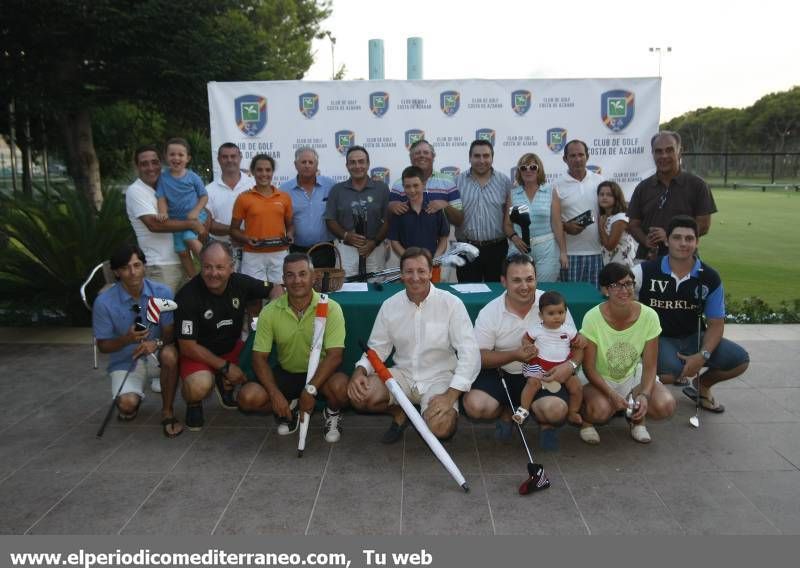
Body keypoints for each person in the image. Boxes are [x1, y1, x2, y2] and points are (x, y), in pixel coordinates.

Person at [347, 247, 480, 443]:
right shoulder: (390, 306)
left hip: (439, 378)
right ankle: (400, 413)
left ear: (430, 273)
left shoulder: (452, 304)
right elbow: (377, 348)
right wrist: (359, 371)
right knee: (361, 395)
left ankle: (425, 417)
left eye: (421, 271)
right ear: (401, 275)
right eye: (409, 271)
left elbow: (471, 355)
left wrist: (451, 396)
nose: (415, 277)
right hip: (403, 376)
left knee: (441, 427)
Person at [462, 254, 583, 450]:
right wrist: (515, 355)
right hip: (502, 372)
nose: (524, 286)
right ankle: (506, 410)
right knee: (475, 406)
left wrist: (570, 366)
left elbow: (578, 346)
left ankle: (546, 424)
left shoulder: (554, 305)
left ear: (536, 278)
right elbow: (478, 357)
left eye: (529, 279)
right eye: (516, 280)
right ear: (503, 281)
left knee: (556, 411)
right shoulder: (490, 311)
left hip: (545, 373)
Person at [633, 215, 749, 411]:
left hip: (694, 337)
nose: (683, 243)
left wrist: (702, 356)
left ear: (697, 242)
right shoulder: (645, 271)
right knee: (674, 371)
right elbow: (615, 290)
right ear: (667, 240)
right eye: (677, 238)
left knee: (739, 360)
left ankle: (701, 386)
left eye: (689, 239)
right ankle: (635, 393)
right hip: (658, 338)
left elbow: (716, 323)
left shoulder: (710, 277)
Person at [239, 253, 350, 442]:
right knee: (248, 397)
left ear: (313, 277)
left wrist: (310, 390)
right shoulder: (270, 311)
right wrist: (274, 394)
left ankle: (332, 412)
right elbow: (259, 358)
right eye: (290, 275)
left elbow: (335, 356)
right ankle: (290, 406)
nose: (296, 280)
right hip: (287, 372)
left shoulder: (331, 307)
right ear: (283, 280)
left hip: (320, 375)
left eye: (302, 274)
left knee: (342, 388)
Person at [175, 241, 275, 430]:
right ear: (200, 265)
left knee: (264, 365)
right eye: (207, 267)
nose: (213, 273)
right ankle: (193, 402)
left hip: (232, 348)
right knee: (199, 386)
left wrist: (273, 313)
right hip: (199, 354)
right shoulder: (187, 296)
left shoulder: (240, 282)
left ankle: (224, 381)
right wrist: (225, 367)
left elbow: (275, 288)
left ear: (231, 267)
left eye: (220, 267)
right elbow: (187, 346)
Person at [579, 262, 676, 445]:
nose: (624, 290)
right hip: (599, 377)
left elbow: (650, 365)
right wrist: (610, 393)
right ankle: (586, 422)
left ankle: (637, 420)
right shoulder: (592, 317)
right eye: (616, 285)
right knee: (600, 411)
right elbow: (589, 367)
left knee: (666, 405)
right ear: (605, 290)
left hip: (631, 375)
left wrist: (645, 394)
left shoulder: (649, 316)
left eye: (629, 283)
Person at [92, 244, 183, 438]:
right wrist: (126, 339)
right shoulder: (103, 302)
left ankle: (167, 411)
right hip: (126, 359)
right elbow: (103, 346)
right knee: (126, 405)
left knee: (170, 353)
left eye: (137, 265)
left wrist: (155, 343)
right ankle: (133, 399)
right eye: (125, 268)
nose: (133, 272)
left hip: (157, 354)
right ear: (116, 272)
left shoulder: (163, 293)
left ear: (144, 266)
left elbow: (169, 335)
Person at [126, 145, 208, 295]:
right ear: (137, 166)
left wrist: (201, 223)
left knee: (182, 315)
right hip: (160, 266)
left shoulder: (168, 184)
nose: (151, 167)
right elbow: (154, 224)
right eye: (144, 164)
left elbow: (200, 206)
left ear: (160, 163)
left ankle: (210, 266)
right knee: (161, 316)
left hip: (181, 259)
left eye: (154, 162)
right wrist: (192, 223)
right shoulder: (136, 191)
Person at [627, 131, 717, 260]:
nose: (664, 156)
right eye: (658, 151)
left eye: (669, 150)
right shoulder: (643, 187)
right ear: (652, 154)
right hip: (648, 259)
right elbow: (633, 225)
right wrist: (645, 240)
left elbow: (704, 225)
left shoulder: (697, 185)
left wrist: (670, 236)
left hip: (684, 260)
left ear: (680, 151)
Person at [515, 291, 583, 427]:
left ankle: (573, 411)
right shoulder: (536, 329)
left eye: (561, 312)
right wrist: (528, 346)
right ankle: (523, 410)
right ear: (541, 315)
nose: (557, 317)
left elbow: (580, 343)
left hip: (562, 367)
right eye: (551, 313)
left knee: (577, 387)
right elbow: (525, 339)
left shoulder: (569, 330)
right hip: (539, 365)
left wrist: (582, 340)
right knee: (531, 384)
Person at [230, 154, 293, 299]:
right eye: (259, 170)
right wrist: (247, 239)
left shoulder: (284, 197)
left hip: (279, 254)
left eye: (268, 170)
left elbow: (290, 225)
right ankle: (254, 322)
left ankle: (276, 322)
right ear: (252, 171)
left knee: (280, 296)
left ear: (272, 172)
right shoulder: (243, 198)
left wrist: (289, 234)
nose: (264, 174)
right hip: (253, 254)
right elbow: (233, 230)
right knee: (253, 298)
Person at [453, 139, 514, 282]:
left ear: (492, 157)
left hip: (497, 249)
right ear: (469, 157)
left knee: (497, 294)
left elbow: (509, 217)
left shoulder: (504, 182)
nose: (481, 160)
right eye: (477, 156)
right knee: (467, 293)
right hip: (466, 248)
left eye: (486, 156)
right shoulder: (456, 182)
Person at [324, 146, 390, 278]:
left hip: (374, 250)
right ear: (347, 165)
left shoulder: (381, 188)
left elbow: (388, 220)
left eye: (361, 161)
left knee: (375, 290)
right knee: (346, 290)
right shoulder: (337, 190)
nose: (357, 166)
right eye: (352, 162)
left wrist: (374, 242)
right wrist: (346, 235)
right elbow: (330, 220)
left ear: (368, 164)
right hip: (346, 250)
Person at [505, 153, 567, 282]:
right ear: (519, 172)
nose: (528, 170)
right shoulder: (513, 194)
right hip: (519, 248)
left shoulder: (550, 191)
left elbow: (557, 224)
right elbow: (507, 225)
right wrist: (514, 238)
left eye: (533, 167)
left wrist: (563, 252)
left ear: (539, 170)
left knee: (544, 290)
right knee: (519, 288)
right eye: (524, 168)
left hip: (547, 249)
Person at [155, 137, 209, 278]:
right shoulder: (163, 178)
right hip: (177, 221)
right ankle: (194, 278)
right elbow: (161, 198)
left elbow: (204, 196)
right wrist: (162, 212)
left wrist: (196, 211)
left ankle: (211, 263)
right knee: (181, 252)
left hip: (196, 216)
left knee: (189, 238)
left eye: (180, 155)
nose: (176, 158)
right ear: (166, 157)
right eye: (172, 154)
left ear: (188, 158)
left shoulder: (192, 177)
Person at [553, 140, 604, 287]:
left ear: (587, 156)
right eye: (572, 155)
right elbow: (553, 220)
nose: (577, 159)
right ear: (565, 159)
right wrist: (566, 226)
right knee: (570, 302)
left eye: (581, 155)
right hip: (569, 255)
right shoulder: (556, 185)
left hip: (597, 253)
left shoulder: (600, 181)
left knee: (594, 302)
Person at [387, 165, 450, 281]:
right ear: (403, 187)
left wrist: (436, 257)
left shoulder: (435, 208)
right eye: (408, 186)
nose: (412, 190)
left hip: (432, 267)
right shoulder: (399, 211)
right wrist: (409, 259)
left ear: (424, 184)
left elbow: (443, 237)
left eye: (416, 185)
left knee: (434, 297)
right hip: (408, 268)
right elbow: (394, 242)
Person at [280, 147, 337, 268]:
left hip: (325, 250)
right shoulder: (284, 190)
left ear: (317, 165)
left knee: (324, 286)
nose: (307, 165)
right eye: (303, 162)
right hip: (297, 250)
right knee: (299, 285)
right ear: (295, 165)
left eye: (311, 162)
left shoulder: (330, 185)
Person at [389, 139, 464, 227]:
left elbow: (459, 220)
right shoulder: (398, 185)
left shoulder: (448, 182)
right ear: (410, 158)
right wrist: (390, 207)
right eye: (417, 153)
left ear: (433, 156)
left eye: (426, 152)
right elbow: (389, 222)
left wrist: (445, 205)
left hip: (440, 239)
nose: (422, 156)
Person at [205, 143, 252, 271]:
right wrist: (237, 233)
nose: (229, 160)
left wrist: (244, 237)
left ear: (240, 157)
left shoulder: (254, 185)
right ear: (219, 159)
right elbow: (209, 225)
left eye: (233, 156)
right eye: (225, 157)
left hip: (252, 249)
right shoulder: (208, 191)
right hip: (221, 251)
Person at [597, 180, 637, 268]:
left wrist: (600, 226)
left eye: (609, 195)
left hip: (623, 268)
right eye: (601, 194)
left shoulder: (620, 218)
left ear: (616, 197)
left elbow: (610, 246)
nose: (604, 197)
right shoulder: (605, 217)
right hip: (610, 266)